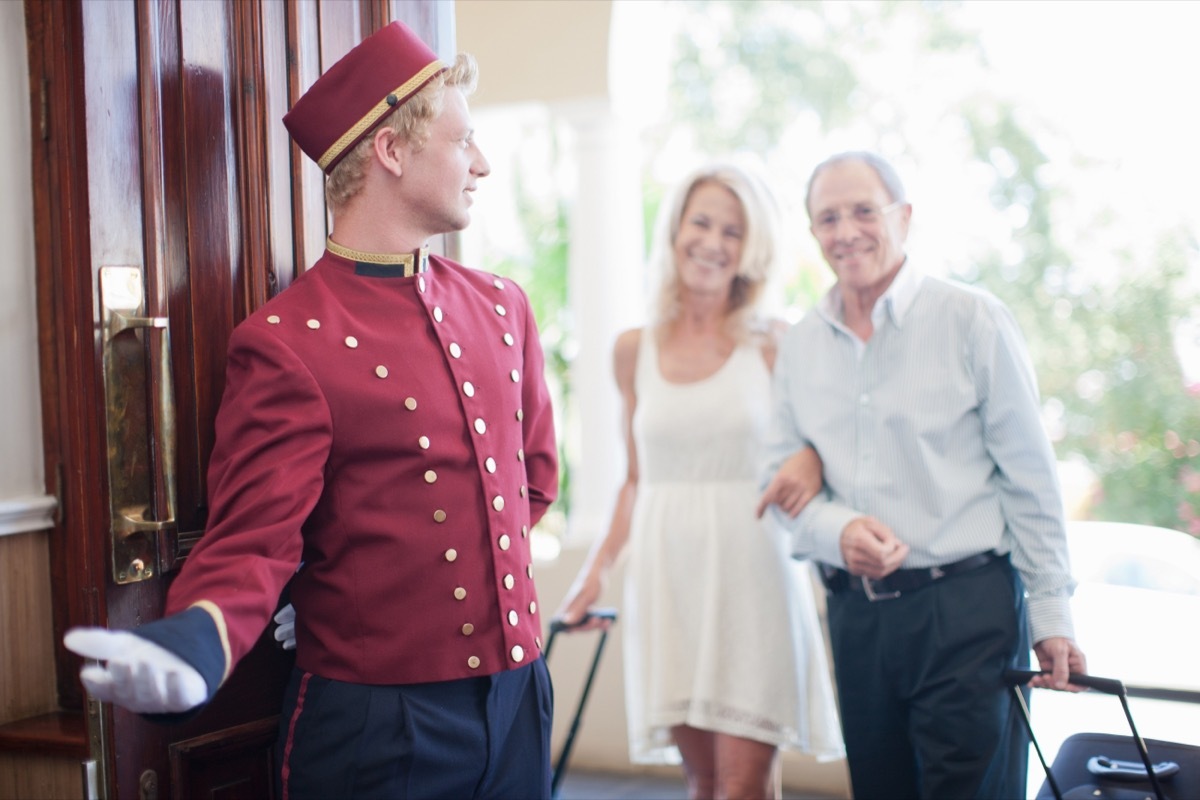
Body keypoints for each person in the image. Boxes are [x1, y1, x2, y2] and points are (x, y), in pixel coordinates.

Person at [63, 20, 559, 800]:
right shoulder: (288, 342)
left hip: (521, 700)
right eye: (465, 142)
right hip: (380, 728)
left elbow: (529, 486)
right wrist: (195, 644)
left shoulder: (501, 307)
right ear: (392, 151)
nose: (483, 164)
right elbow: (250, 544)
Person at [756, 150, 1088, 799]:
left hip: (969, 611)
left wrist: (1053, 613)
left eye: (863, 211)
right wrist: (837, 529)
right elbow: (778, 483)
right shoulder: (800, 345)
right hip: (858, 618)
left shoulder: (973, 319)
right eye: (828, 218)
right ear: (813, 233)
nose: (846, 231)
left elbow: (1030, 478)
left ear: (904, 217)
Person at [556, 161, 845, 800]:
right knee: (703, 783)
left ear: (752, 249)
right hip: (669, 578)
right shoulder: (633, 348)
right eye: (702, 222)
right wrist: (592, 575)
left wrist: (815, 461)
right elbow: (635, 479)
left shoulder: (775, 342)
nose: (713, 243)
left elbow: (830, 448)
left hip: (752, 574)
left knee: (743, 787)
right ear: (677, 229)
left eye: (733, 232)